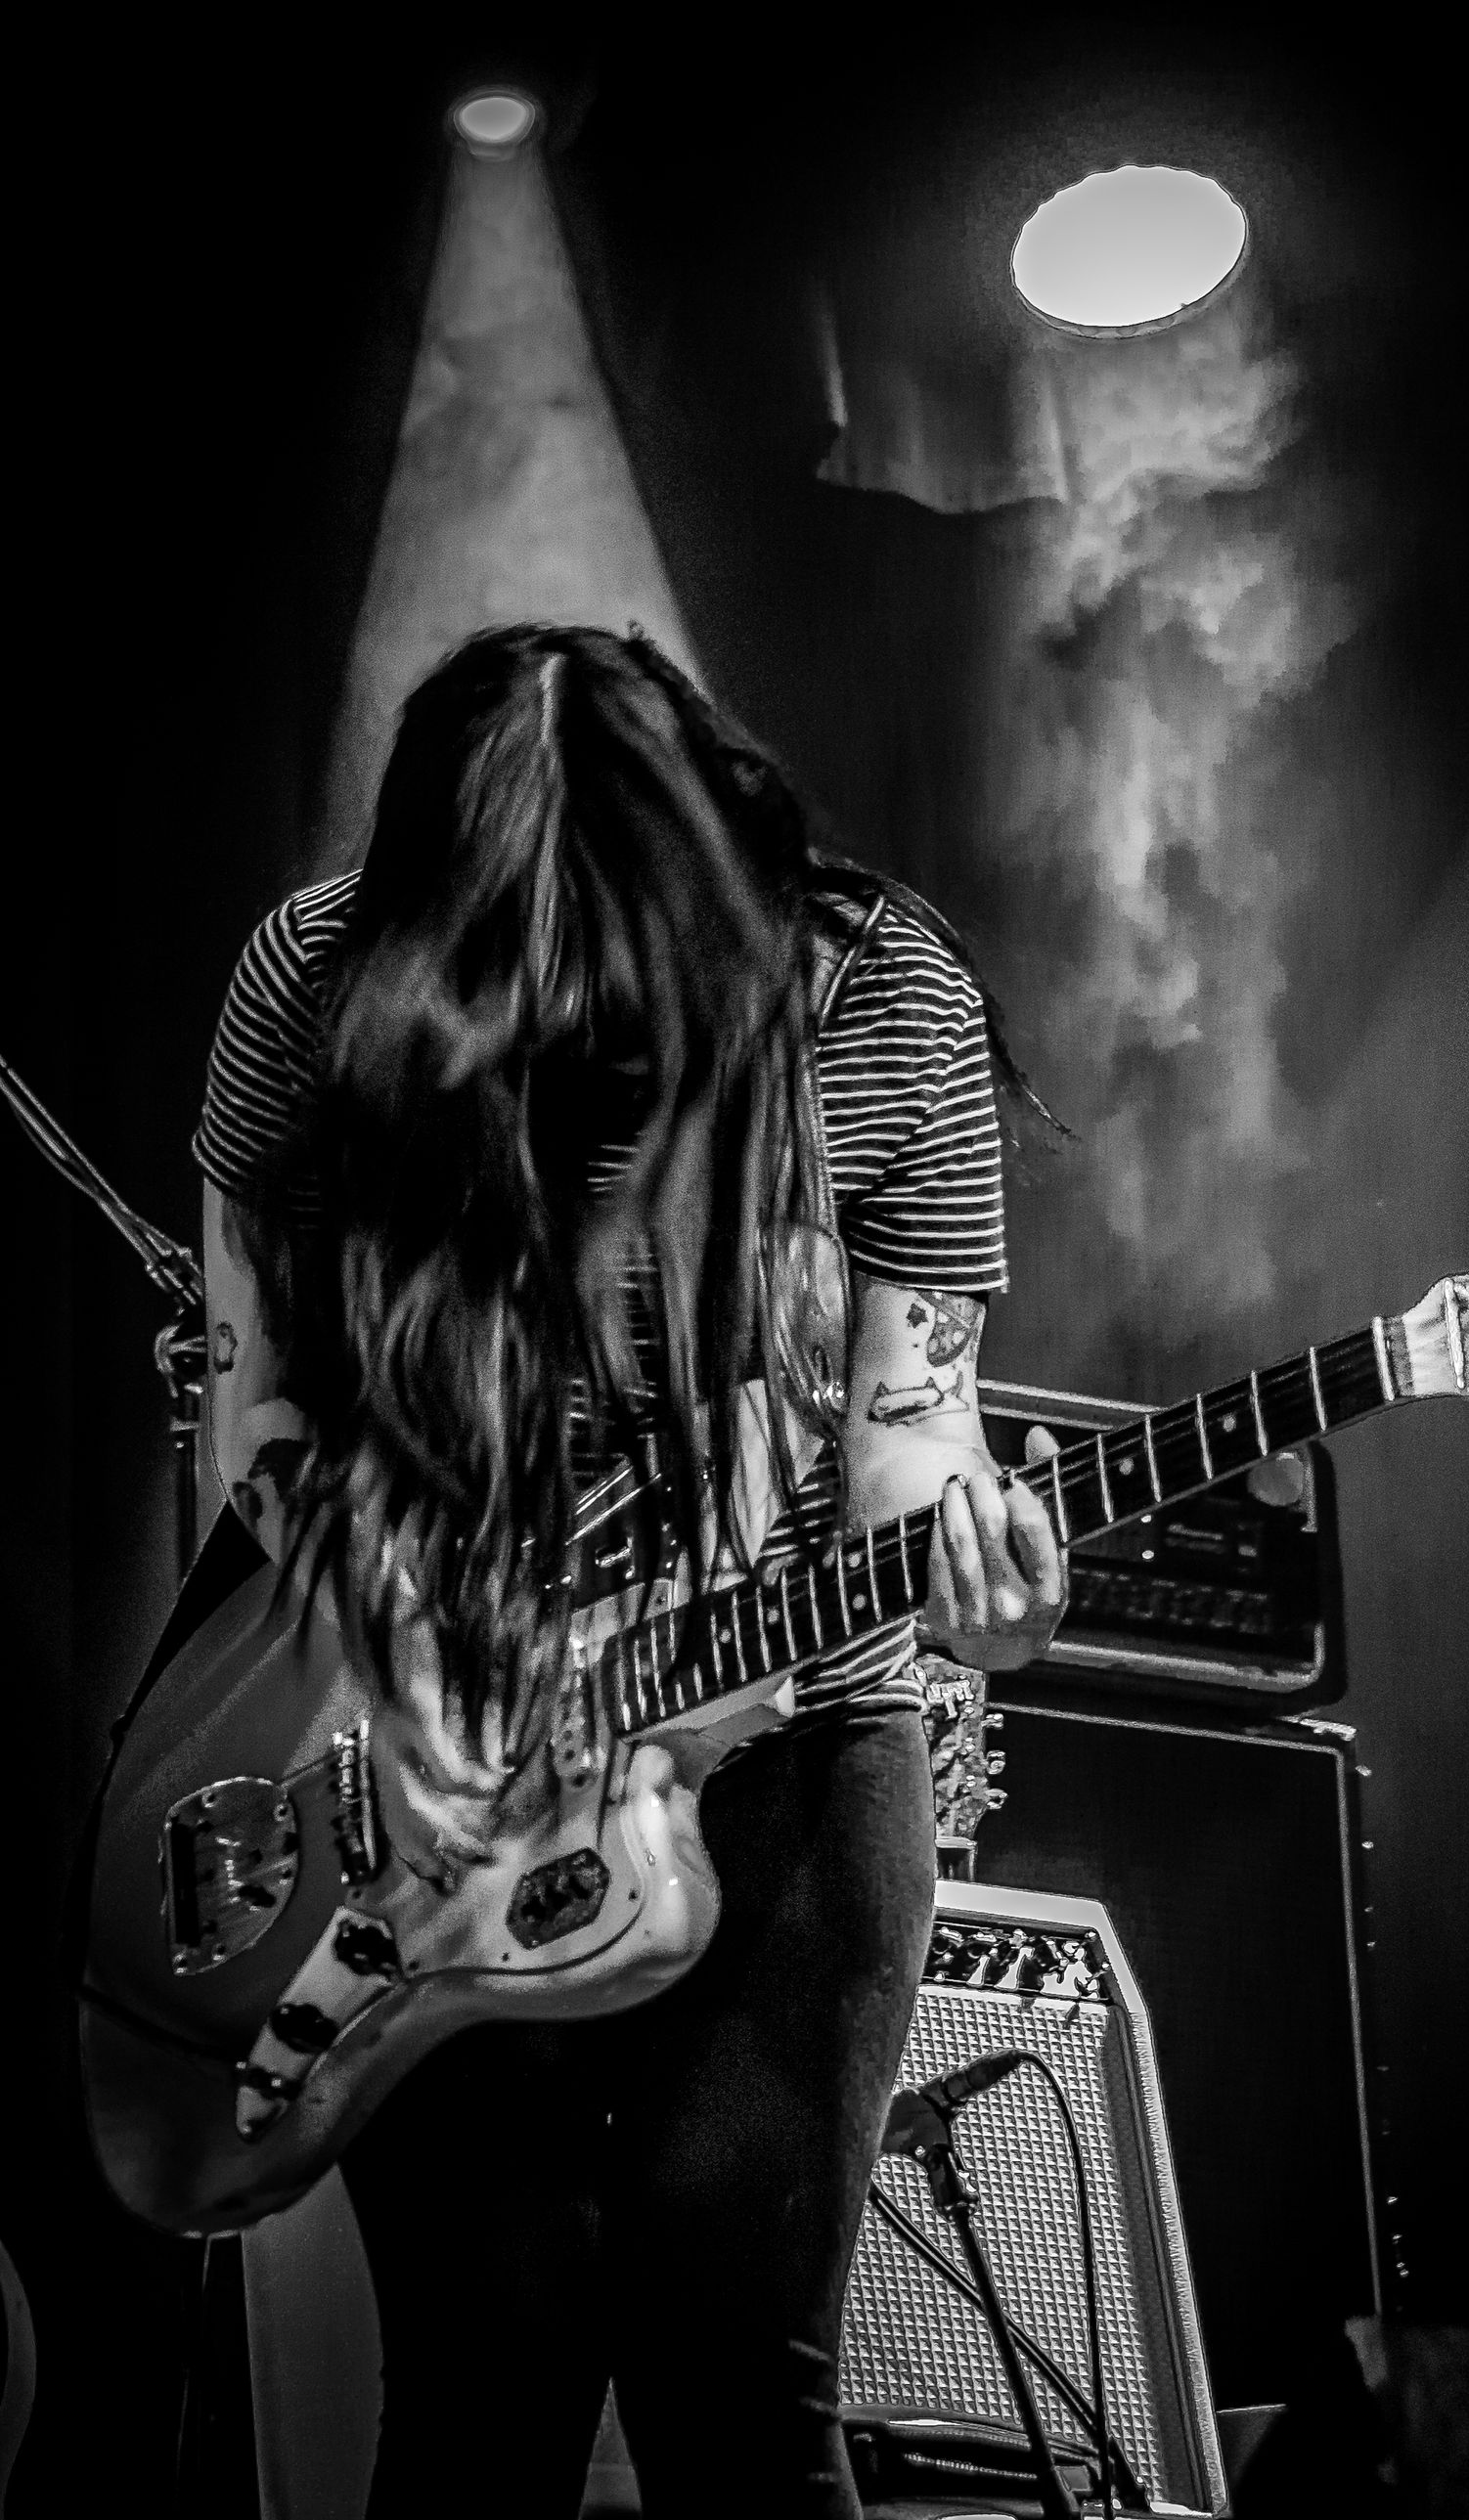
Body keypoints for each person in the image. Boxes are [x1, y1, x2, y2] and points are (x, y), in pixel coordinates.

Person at [195, 621, 1065, 2517]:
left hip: (791, 1752)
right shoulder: (316, 978)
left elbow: (913, 1421)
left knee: (745, 2395)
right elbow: (255, 1413)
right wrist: (397, 1657)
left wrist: (970, 1567)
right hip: (412, 1768)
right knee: (484, 2380)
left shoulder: (872, 992)